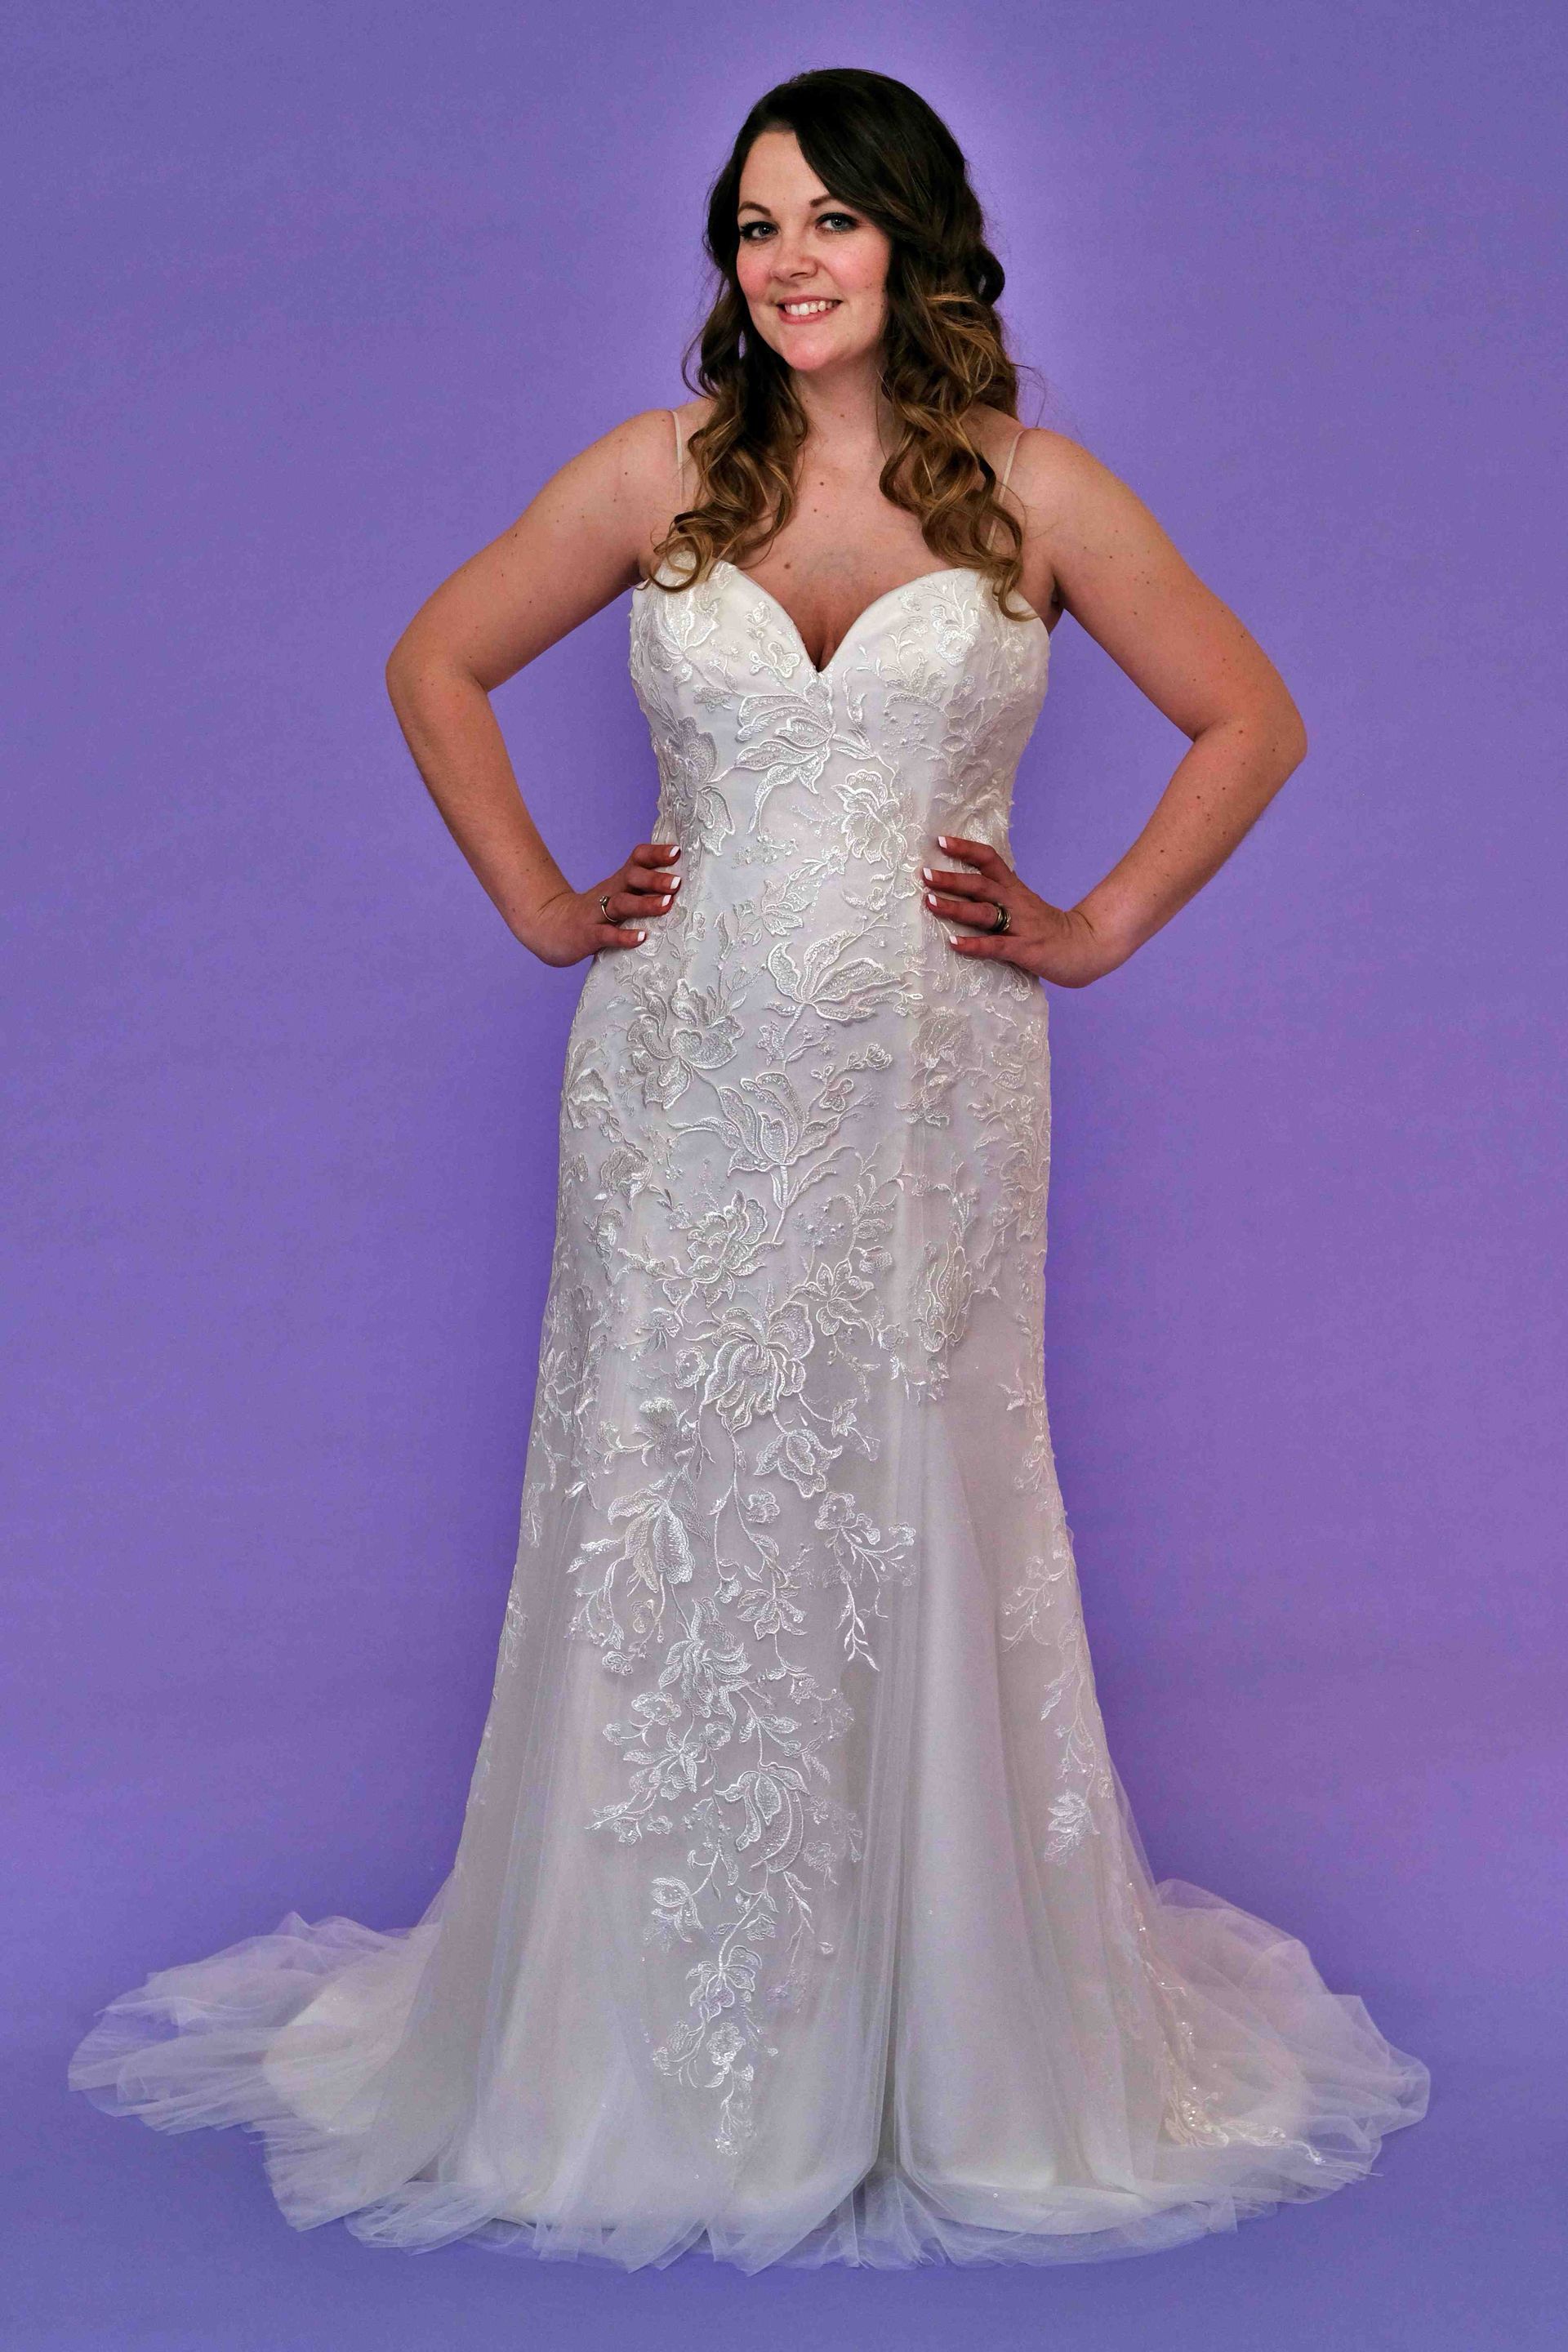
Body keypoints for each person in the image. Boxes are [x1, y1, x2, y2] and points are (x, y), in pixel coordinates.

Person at [68, 66, 1430, 2273]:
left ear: (917, 243)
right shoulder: (658, 473)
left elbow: (1250, 718)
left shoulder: (1037, 492)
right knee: (671, 1504)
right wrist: (532, 899)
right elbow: (436, 657)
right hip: (676, 1090)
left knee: (911, 1492)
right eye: (753, 224)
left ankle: (933, 2045)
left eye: (830, 219)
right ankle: (653, 2039)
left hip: (928, 1102)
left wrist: (1085, 931)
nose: (788, 260)